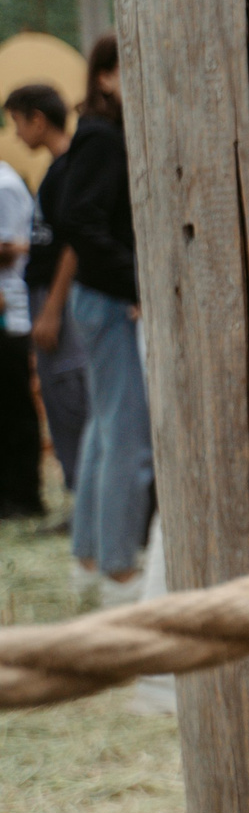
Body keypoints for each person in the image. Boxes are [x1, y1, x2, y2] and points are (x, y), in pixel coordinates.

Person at [52, 35, 150, 588]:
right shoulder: (101, 139)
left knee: (104, 428)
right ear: (107, 76)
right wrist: (137, 282)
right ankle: (118, 568)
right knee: (128, 438)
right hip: (110, 302)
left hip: (101, 298)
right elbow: (79, 222)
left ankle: (88, 557)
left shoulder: (98, 135)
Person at [4, 82, 84, 516]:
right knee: (56, 398)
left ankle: (86, 506)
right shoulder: (54, 171)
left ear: (37, 119)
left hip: (60, 303)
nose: (16, 135)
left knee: (71, 398)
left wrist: (52, 309)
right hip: (46, 297)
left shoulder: (70, 168)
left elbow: (73, 242)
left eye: (17, 122)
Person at [0, 154, 39, 518]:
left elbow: (13, 247)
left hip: (10, 313)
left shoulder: (5, 186)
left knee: (15, 409)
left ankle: (25, 497)